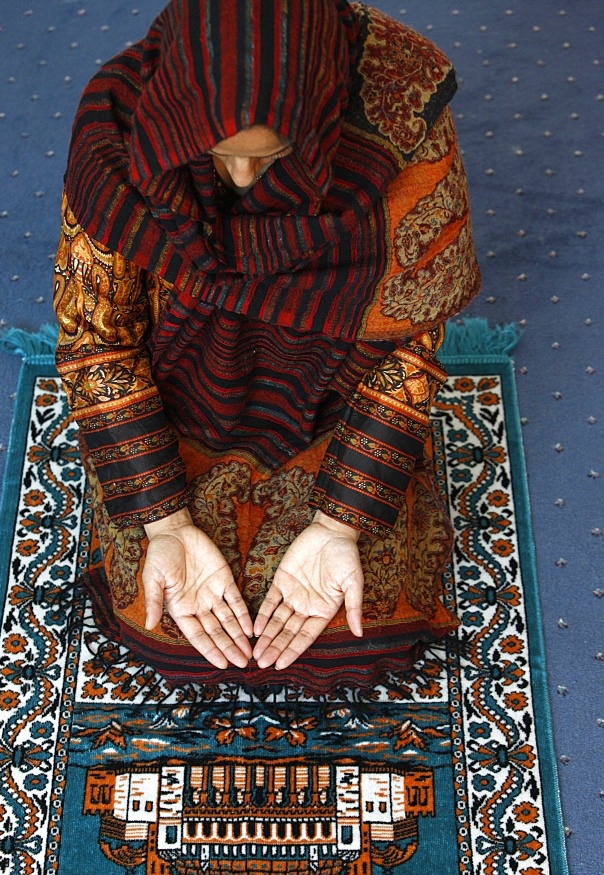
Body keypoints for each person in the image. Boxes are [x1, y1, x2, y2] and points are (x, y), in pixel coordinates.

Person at [53, 0, 480, 694]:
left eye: (275, 155)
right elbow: (96, 335)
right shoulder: (118, 128)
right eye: (221, 155)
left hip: (340, 387)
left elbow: (412, 332)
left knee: (354, 614)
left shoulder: (401, 111)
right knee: (173, 620)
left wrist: (340, 521)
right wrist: (164, 518)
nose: (246, 182)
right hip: (185, 385)